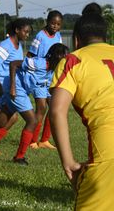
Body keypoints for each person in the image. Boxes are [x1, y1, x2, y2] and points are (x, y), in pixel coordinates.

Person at [49, 11, 114, 210]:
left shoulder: (74, 60)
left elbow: (57, 111)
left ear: (76, 40)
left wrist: (68, 163)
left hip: (107, 152)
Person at [0, 43, 68, 165]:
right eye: (63, 56)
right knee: (32, 121)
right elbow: (13, 64)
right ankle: (19, 157)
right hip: (17, 90)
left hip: (23, 92)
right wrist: (12, 88)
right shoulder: (39, 63)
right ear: (55, 56)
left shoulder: (52, 71)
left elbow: (43, 87)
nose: (65, 59)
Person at [0, 18, 32, 155]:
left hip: (5, 87)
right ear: (17, 30)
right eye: (25, 32)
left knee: (12, 117)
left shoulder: (18, 45)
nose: (27, 35)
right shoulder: (6, 45)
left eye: (28, 33)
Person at [27, 10, 63, 149]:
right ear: (47, 22)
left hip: (51, 76)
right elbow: (30, 54)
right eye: (52, 23)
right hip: (39, 75)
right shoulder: (40, 37)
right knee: (41, 108)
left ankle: (44, 140)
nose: (55, 26)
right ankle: (32, 141)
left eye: (58, 24)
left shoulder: (58, 36)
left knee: (53, 106)